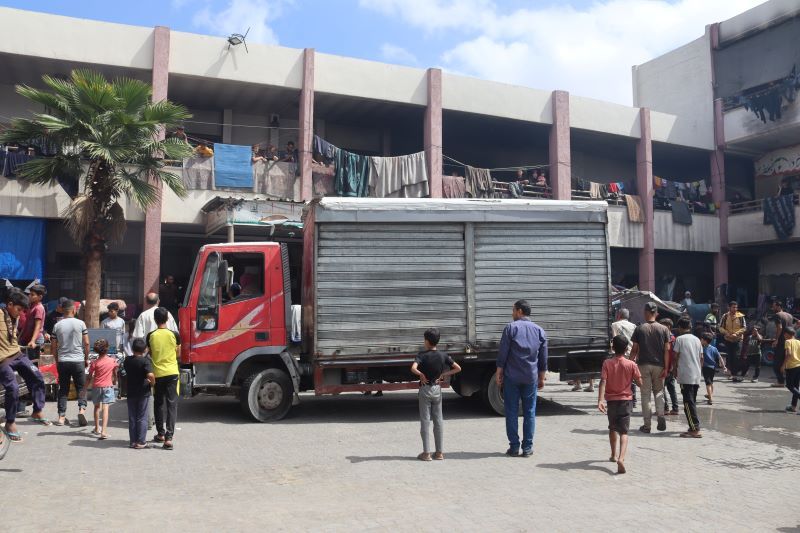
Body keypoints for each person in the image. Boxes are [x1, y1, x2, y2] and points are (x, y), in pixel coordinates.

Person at [495, 299, 548, 457]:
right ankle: (527, 448)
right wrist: (542, 377)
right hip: (530, 377)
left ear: (519, 311)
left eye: (513, 310)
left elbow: (503, 353)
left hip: (512, 377)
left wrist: (499, 371)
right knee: (529, 412)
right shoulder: (539, 330)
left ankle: (514, 447)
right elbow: (544, 357)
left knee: (511, 411)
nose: (512, 314)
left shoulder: (510, 328)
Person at [0, 289, 51, 441]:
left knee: (37, 376)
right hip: (2, 360)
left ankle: (37, 410)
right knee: (13, 388)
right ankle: (10, 422)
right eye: (19, 309)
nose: (20, 313)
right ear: (9, 304)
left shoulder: (14, 317)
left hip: (17, 354)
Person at [410, 328, 461, 461]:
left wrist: (420, 374)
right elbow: (458, 368)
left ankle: (426, 453)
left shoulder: (421, 355)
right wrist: (443, 374)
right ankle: (439, 453)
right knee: (438, 420)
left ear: (426, 341)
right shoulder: (443, 355)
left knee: (425, 420)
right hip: (437, 389)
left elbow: (413, 368)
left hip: (425, 389)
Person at [597, 335, 642, 475]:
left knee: (612, 427)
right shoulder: (631, 364)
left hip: (611, 401)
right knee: (624, 431)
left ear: (613, 347)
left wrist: (600, 400)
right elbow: (640, 383)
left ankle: (613, 454)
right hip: (626, 400)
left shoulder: (607, 363)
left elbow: (603, 381)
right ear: (626, 348)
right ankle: (621, 458)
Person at [630, 302, 670, 434]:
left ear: (646, 312)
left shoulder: (640, 329)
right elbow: (667, 350)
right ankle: (661, 416)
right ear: (656, 313)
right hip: (659, 365)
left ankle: (647, 425)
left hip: (643, 365)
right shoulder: (664, 329)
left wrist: (630, 364)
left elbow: (634, 350)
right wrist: (666, 367)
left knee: (645, 395)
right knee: (659, 392)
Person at [52, 298, 89, 427]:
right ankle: (82, 410)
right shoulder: (81, 323)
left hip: (63, 361)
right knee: (81, 387)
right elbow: (87, 343)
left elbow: (53, 346)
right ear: (74, 310)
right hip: (78, 360)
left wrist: (57, 360)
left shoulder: (57, 325)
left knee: (63, 389)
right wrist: (86, 358)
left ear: (62, 310)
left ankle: (61, 417)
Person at [147, 307, 181, 450]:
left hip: (158, 374)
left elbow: (150, 353)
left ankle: (160, 433)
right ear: (167, 319)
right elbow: (178, 353)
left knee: (158, 403)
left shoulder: (151, 336)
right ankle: (169, 438)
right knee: (171, 405)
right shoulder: (174, 335)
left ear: (155, 320)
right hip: (172, 373)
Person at [672, 317, 704, 438]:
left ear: (680, 327)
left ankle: (695, 428)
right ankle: (693, 427)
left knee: (687, 403)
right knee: (692, 402)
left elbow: (675, 356)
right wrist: (698, 370)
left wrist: (674, 370)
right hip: (696, 374)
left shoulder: (679, 339)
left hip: (686, 374)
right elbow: (701, 358)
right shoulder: (697, 340)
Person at [124, 338, 155, 449]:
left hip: (131, 391)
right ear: (145, 349)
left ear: (132, 349)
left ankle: (133, 441)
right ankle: (141, 441)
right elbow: (150, 375)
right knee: (142, 416)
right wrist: (152, 383)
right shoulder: (145, 361)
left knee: (132, 416)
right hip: (143, 391)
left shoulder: (127, 360)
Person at [87, 338, 117, 440]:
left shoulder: (94, 362)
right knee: (105, 408)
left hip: (96, 387)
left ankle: (96, 428)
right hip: (108, 386)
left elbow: (90, 376)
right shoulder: (112, 361)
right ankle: (103, 431)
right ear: (107, 348)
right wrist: (115, 381)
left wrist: (84, 388)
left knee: (96, 407)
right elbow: (115, 373)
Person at [611, 308, 637, 405]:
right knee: (631, 376)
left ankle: (621, 397)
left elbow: (614, 339)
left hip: (619, 353)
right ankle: (633, 399)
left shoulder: (614, 325)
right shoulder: (634, 326)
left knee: (619, 376)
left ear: (619, 315)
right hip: (631, 353)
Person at [19, 283, 46, 360]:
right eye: (29, 294)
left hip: (35, 340)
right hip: (27, 339)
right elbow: (26, 325)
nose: (29, 296)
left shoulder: (39, 308)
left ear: (40, 297)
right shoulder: (31, 307)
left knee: (32, 365)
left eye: (32, 294)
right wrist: (20, 338)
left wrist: (33, 341)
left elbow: (38, 326)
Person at [770, 299, 794, 387]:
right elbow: (792, 328)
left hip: (781, 342)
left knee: (776, 363)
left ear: (778, 306)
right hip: (790, 340)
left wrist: (776, 339)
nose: (772, 307)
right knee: (787, 361)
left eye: (774, 306)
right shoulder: (790, 315)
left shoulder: (777, 315)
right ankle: (788, 381)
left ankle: (780, 381)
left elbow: (779, 328)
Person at [719, 301, 746, 380]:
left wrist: (736, 334)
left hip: (738, 339)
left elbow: (744, 328)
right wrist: (726, 333)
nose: (735, 309)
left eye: (736, 307)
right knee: (730, 357)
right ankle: (731, 373)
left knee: (736, 357)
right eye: (733, 307)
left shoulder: (741, 316)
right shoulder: (725, 316)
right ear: (729, 307)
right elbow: (720, 327)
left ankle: (735, 373)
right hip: (728, 339)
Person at [659, 318, 680, 415]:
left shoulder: (670, 339)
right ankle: (674, 408)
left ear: (669, 326)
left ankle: (666, 408)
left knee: (662, 388)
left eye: (663, 325)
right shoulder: (672, 338)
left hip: (667, 366)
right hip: (668, 366)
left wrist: (671, 367)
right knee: (670, 388)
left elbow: (673, 354)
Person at [700, 332, 726, 405]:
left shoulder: (702, 349)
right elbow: (720, 357)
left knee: (708, 383)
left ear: (705, 340)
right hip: (713, 368)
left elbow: (701, 359)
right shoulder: (714, 348)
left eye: (701, 339)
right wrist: (724, 366)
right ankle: (710, 395)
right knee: (711, 382)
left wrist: (699, 367)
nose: (700, 340)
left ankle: (710, 399)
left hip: (706, 368)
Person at [780, 327, 800, 413]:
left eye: (785, 334)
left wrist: (783, 366)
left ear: (788, 334)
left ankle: (794, 405)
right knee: (796, 387)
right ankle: (793, 406)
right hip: (798, 366)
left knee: (789, 386)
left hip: (791, 366)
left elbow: (788, 354)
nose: (784, 335)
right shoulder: (799, 342)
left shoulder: (788, 342)